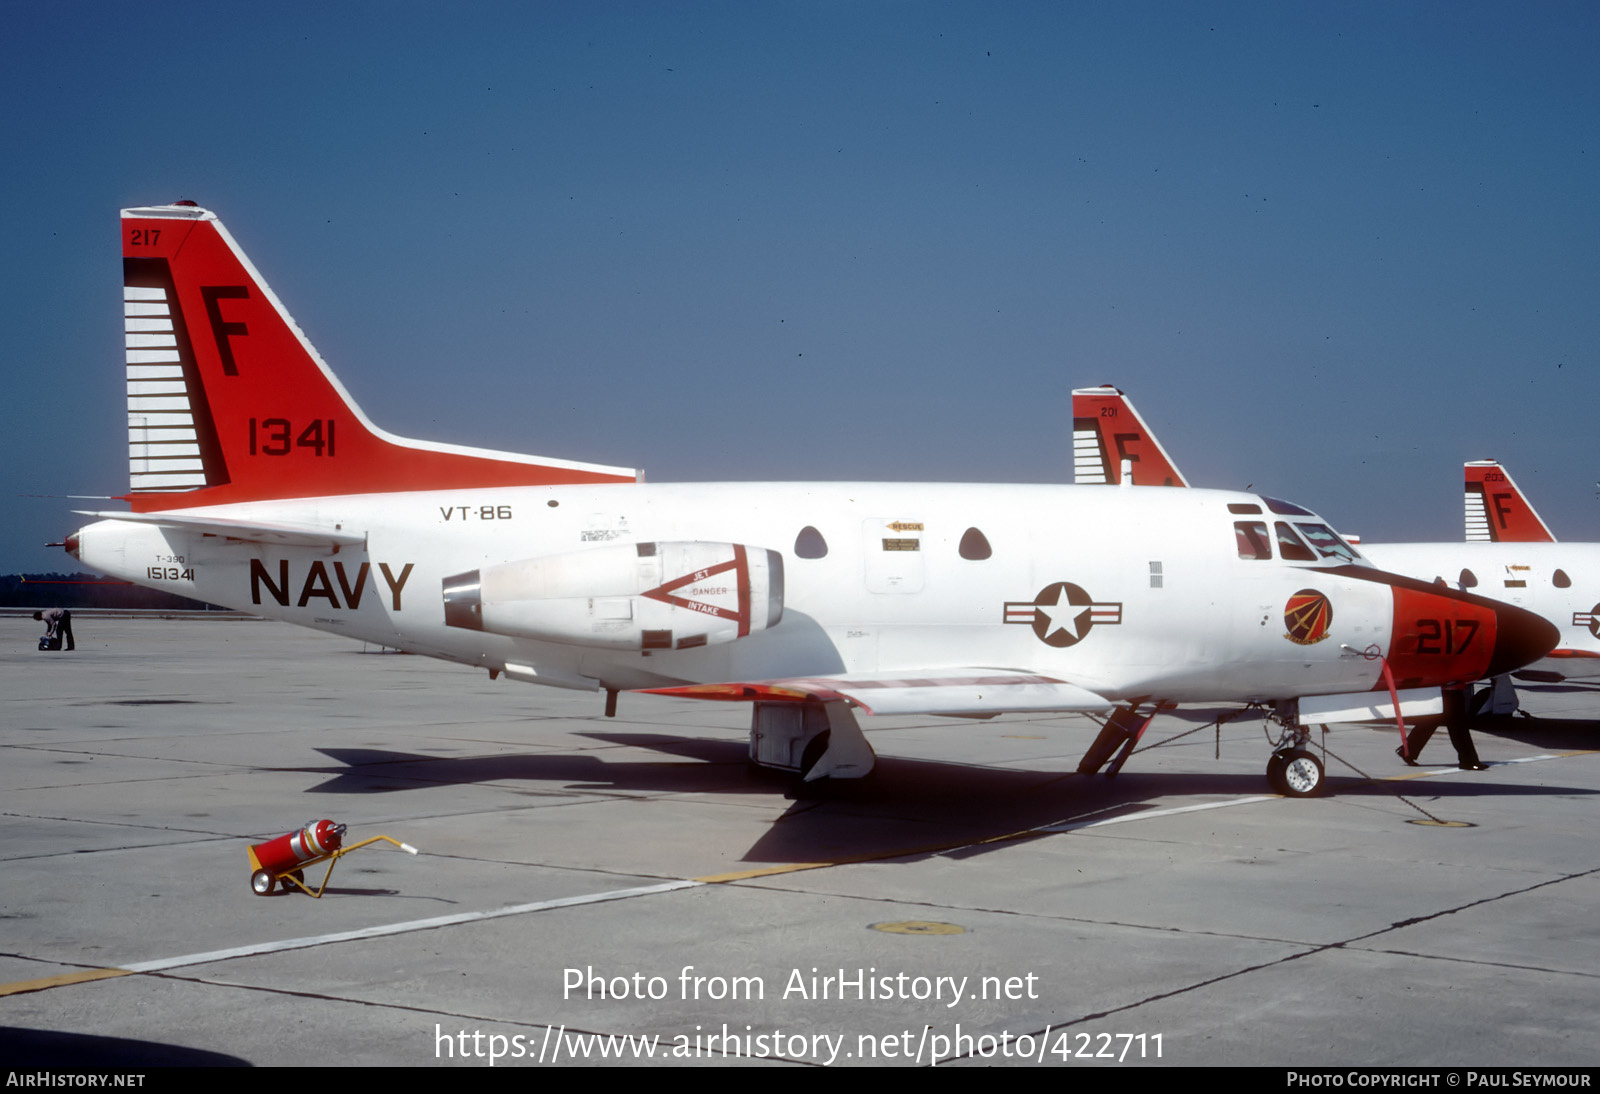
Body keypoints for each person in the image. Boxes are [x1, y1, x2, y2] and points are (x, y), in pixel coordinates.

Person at [1396, 686, 1487, 770]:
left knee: (1435, 718)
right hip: (1449, 684)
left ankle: (1408, 750)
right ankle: (1468, 760)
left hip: (1447, 685)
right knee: (1457, 722)